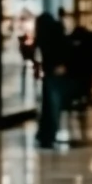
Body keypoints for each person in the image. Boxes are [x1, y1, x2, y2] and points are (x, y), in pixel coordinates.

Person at [34, 11, 69, 149]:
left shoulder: (42, 37)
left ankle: (45, 135)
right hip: (55, 73)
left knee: (48, 106)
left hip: (49, 73)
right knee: (53, 107)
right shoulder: (56, 31)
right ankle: (49, 134)